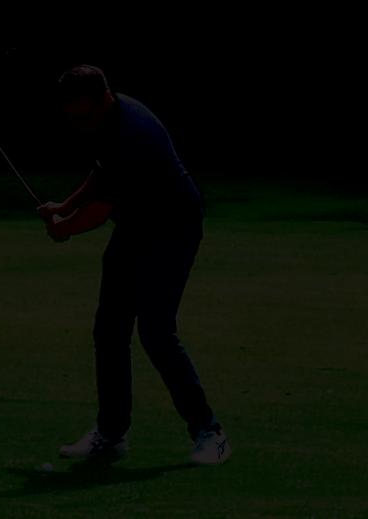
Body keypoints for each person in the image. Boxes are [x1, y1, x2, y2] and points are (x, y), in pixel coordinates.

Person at [37, 64, 232, 465]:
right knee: (109, 330)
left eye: (83, 114)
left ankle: (211, 433)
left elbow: (102, 209)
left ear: (102, 98)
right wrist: (65, 206)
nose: (78, 123)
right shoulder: (105, 122)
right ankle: (111, 434)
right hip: (136, 226)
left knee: (157, 332)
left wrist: (65, 228)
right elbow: (100, 173)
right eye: (72, 116)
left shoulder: (132, 132)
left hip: (173, 229)